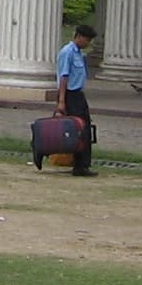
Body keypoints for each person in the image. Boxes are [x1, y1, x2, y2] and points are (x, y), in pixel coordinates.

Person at [56, 22, 98, 176]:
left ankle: (83, 163)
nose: (87, 44)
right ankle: (79, 165)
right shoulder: (67, 52)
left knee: (85, 128)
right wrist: (61, 101)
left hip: (78, 93)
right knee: (78, 129)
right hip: (69, 94)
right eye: (86, 40)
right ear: (79, 37)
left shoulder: (79, 53)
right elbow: (64, 76)